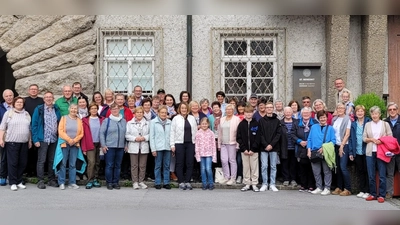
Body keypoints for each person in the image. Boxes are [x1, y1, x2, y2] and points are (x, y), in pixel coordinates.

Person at [0, 97, 32, 191]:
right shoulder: (9, 113)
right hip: (12, 142)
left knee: (22, 163)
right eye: (17, 102)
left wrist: (30, 140)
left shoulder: (26, 114)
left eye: (21, 102)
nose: (19, 103)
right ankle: (13, 182)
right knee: (13, 163)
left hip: (24, 142)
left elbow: (29, 129)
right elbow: (2, 127)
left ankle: (19, 181)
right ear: (14, 103)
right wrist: (1, 139)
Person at [32, 91, 62, 189]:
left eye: (50, 97)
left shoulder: (56, 109)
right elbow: (34, 125)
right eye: (47, 97)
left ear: (53, 99)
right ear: (44, 99)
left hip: (54, 139)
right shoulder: (39, 109)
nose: (49, 99)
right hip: (43, 139)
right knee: (41, 160)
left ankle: (51, 179)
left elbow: (60, 122)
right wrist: (35, 139)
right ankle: (40, 180)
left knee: (52, 160)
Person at [363, 106, 392, 203]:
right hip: (370, 152)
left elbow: (390, 137)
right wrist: (371, 139)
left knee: (382, 175)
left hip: (382, 152)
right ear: (370, 115)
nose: (374, 115)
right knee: (371, 175)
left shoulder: (385, 124)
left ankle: (382, 195)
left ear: (379, 114)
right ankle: (373, 194)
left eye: (376, 113)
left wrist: (381, 140)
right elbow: (364, 138)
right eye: (372, 114)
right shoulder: (367, 124)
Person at [307, 110, 336, 196]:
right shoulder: (313, 127)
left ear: (327, 118)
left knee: (326, 171)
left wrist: (324, 148)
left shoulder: (330, 128)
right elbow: (309, 139)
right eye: (321, 117)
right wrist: (309, 149)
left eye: (324, 117)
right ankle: (319, 187)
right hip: (314, 151)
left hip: (325, 152)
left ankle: (327, 188)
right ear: (318, 118)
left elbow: (333, 141)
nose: (322, 119)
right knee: (316, 171)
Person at [55, 103, 84, 190]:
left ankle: (72, 182)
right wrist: (69, 139)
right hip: (64, 144)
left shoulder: (79, 120)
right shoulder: (64, 118)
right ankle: (62, 182)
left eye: (75, 109)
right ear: (69, 109)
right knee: (63, 163)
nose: (73, 110)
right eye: (72, 108)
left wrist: (74, 140)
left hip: (75, 144)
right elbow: (60, 131)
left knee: (73, 164)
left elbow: (81, 133)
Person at [170, 102, 197, 190]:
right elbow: (172, 132)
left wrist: (196, 143)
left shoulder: (192, 118)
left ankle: (188, 181)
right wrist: (172, 144)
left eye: (185, 108)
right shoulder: (176, 119)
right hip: (179, 143)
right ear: (179, 109)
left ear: (187, 109)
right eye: (182, 108)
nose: (184, 110)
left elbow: (195, 131)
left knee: (190, 163)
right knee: (179, 163)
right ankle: (181, 181)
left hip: (190, 143)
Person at [100, 103, 127, 190]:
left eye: (116, 109)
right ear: (110, 111)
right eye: (113, 109)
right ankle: (109, 182)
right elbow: (101, 133)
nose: (115, 110)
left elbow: (126, 134)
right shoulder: (107, 121)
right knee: (109, 165)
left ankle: (116, 182)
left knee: (118, 165)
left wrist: (126, 145)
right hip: (109, 146)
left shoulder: (123, 121)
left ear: (119, 109)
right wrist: (103, 145)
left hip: (120, 147)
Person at [291, 106, 317, 192]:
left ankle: (311, 185)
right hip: (300, 148)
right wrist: (299, 141)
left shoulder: (315, 122)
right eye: (304, 113)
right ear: (301, 114)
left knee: (311, 167)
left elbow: (317, 135)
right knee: (302, 167)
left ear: (310, 114)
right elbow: (292, 134)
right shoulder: (296, 123)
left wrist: (309, 142)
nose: (306, 114)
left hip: (312, 148)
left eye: (307, 113)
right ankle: (303, 185)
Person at [258, 101, 282, 192]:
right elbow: (260, 134)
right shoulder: (261, 121)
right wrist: (266, 145)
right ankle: (264, 183)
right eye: (267, 107)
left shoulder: (277, 121)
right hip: (263, 148)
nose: (269, 109)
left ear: (273, 109)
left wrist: (271, 145)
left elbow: (278, 134)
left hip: (274, 147)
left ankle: (272, 184)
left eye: (270, 107)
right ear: (265, 109)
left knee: (273, 166)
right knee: (264, 166)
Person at [348, 105, 371, 199]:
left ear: (364, 112)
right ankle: (362, 190)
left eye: (361, 111)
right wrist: (351, 152)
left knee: (368, 171)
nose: (360, 113)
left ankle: (368, 190)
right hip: (357, 151)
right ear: (355, 113)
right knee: (360, 171)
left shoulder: (368, 122)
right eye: (358, 111)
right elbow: (351, 139)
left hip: (367, 150)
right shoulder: (353, 124)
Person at [81, 103, 104, 189]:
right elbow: (83, 135)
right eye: (92, 108)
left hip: (99, 143)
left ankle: (95, 178)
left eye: (95, 108)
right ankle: (90, 180)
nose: (94, 110)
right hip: (89, 143)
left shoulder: (102, 119)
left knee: (98, 162)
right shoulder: (85, 120)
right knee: (92, 162)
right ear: (89, 110)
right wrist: (84, 148)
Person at [236, 105, 260, 192]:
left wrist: (253, 149)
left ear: (253, 113)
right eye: (247, 113)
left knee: (254, 167)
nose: (248, 114)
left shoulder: (256, 124)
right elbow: (238, 138)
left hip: (254, 151)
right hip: (244, 151)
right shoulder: (241, 124)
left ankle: (254, 184)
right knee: (246, 167)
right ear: (244, 113)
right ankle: (247, 183)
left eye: (250, 112)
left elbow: (258, 138)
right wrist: (244, 148)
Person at [126, 106, 150, 190]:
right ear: (134, 114)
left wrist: (145, 138)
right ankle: (135, 182)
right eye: (137, 112)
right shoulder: (129, 123)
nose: (139, 114)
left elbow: (151, 134)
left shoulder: (148, 123)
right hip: (134, 145)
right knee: (134, 165)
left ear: (143, 114)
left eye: (141, 112)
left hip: (143, 145)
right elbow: (127, 135)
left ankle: (141, 181)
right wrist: (135, 138)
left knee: (142, 165)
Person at [331, 103, 352, 196]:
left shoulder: (347, 119)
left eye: (342, 108)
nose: (340, 109)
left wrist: (342, 146)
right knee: (338, 167)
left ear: (345, 109)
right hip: (336, 144)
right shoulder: (334, 119)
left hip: (344, 145)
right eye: (338, 108)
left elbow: (347, 134)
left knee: (343, 167)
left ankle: (348, 188)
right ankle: (339, 187)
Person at [218, 104, 241, 185]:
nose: (228, 111)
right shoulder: (222, 119)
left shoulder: (236, 119)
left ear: (233, 110)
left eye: (230, 109)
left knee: (232, 160)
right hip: (223, 143)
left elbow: (239, 133)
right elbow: (219, 132)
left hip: (232, 143)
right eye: (227, 109)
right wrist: (219, 144)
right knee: (224, 160)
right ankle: (226, 177)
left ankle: (233, 178)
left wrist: (238, 145)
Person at [24, 84, 44, 178]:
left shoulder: (41, 100)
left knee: (38, 150)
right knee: (29, 149)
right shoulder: (25, 101)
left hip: (39, 127)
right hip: (27, 127)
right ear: (29, 91)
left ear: (38, 91)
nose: (33, 91)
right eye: (32, 89)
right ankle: (29, 170)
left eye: (35, 89)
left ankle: (37, 171)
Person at [150, 106, 172, 189]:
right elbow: (152, 136)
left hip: (167, 147)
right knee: (158, 165)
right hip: (158, 147)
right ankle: (158, 182)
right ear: (158, 113)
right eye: (162, 112)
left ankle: (166, 182)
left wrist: (172, 146)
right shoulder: (153, 122)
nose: (163, 114)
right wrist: (153, 149)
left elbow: (171, 135)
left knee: (167, 165)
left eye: (165, 113)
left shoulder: (170, 122)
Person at [383, 102, 400, 200]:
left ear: (397, 110)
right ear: (388, 111)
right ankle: (389, 193)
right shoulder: (385, 122)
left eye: (394, 109)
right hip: (389, 152)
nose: (392, 111)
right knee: (389, 173)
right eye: (390, 110)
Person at [195, 117, 217, 190]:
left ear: (208, 124)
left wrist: (214, 156)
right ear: (200, 124)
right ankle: (204, 183)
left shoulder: (211, 133)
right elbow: (197, 145)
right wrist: (197, 155)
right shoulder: (198, 133)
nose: (204, 125)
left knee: (208, 168)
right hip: (201, 154)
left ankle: (210, 183)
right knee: (203, 169)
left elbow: (214, 145)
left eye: (205, 124)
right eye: (202, 124)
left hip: (209, 154)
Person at [280, 107, 298, 187]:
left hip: (294, 147)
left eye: (289, 112)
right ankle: (286, 179)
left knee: (293, 164)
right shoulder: (280, 123)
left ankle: (293, 179)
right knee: (285, 164)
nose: (288, 114)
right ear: (284, 113)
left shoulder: (297, 122)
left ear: (292, 113)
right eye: (286, 112)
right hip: (284, 146)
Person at [0, 89, 13, 186]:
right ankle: (3, 176)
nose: (9, 97)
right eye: (7, 96)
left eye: (10, 95)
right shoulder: (1, 108)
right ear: (4, 97)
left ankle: (13, 176)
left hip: (15, 136)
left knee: (14, 157)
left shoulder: (18, 106)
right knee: (4, 157)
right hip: (4, 135)